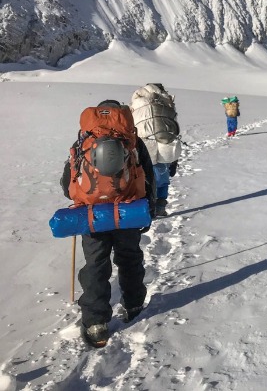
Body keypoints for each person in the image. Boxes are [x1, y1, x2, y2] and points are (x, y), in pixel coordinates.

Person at [60, 100, 156, 348]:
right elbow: (147, 174)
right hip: (127, 212)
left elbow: (67, 181)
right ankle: (134, 305)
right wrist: (149, 209)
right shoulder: (131, 141)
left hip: (92, 214)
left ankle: (95, 324)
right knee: (129, 258)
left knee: (96, 265)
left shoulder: (83, 140)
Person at [130, 84, 181, 217]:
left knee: (146, 177)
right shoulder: (165, 101)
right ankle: (160, 206)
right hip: (165, 143)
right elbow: (174, 125)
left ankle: (148, 207)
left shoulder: (137, 101)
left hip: (144, 144)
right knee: (162, 178)